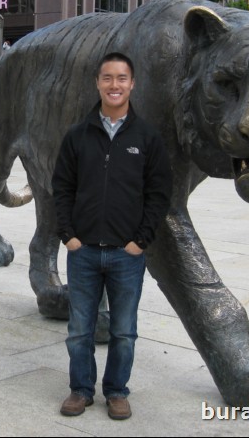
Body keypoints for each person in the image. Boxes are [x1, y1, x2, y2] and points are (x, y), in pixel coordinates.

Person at [52, 51, 172, 421]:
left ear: (132, 84)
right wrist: (68, 235)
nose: (114, 85)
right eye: (107, 78)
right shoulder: (77, 135)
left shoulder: (147, 138)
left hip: (126, 254)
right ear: (97, 83)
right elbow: (61, 188)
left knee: (123, 331)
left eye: (121, 78)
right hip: (83, 251)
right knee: (79, 331)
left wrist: (141, 241)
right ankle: (81, 390)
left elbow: (159, 194)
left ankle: (117, 391)